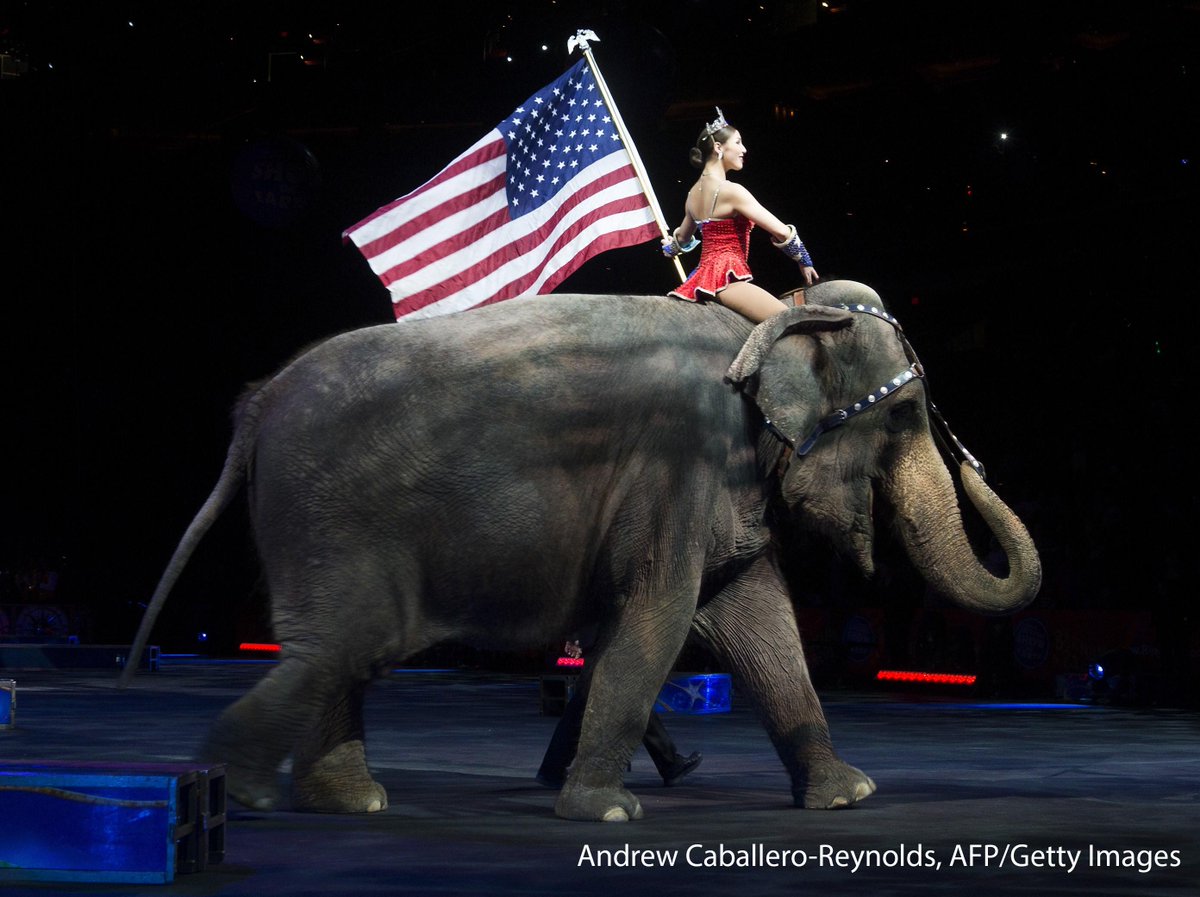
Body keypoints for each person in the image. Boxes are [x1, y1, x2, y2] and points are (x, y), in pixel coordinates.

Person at [662, 107, 819, 323]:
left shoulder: (692, 194)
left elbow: (682, 238)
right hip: (726, 280)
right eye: (738, 142)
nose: (744, 149)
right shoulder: (732, 191)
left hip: (700, 279)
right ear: (718, 147)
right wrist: (804, 260)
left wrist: (670, 247)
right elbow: (781, 232)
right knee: (795, 322)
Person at [536, 639, 702, 789]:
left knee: (592, 702)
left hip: (603, 643)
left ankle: (553, 769)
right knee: (630, 699)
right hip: (608, 642)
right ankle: (670, 764)